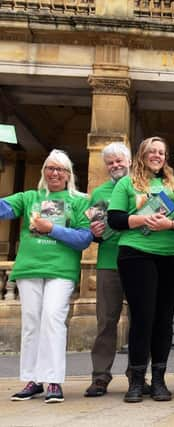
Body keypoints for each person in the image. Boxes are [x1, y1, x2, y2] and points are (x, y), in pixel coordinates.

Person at [1, 149, 92, 403]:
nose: (54, 173)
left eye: (60, 169)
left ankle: (53, 380)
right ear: (43, 172)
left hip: (61, 270)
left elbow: (84, 239)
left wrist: (51, 228)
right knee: (31, 322)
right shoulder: (30, 196)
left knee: (52, 318)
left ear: (68, 175)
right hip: (29, 267)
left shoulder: (80, 201)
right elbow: (3, 209)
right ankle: (32, 380)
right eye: (50, 168)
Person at [108, 136, 174, 403]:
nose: (156, 155)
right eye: (151, 151)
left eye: (161, 152)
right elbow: (115, 219)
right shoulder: (126, 182)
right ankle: (136, 380)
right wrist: (142, 219)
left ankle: (159, 379)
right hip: (136, 254)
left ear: (165, 157)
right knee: (143, 317)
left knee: (164, 319)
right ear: (142, 154)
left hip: (169, 257)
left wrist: (170, 225)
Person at [84, 142, 135, 397]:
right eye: (111, 162)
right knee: (106, 322)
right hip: (108, 263)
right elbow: (94, 231)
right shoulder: (99, 193)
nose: (115, 165)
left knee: (140, 322)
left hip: (139, 260)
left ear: (129, 161)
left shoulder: (140, 186)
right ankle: (100, 376)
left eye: (119, 161)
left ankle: (136, 375)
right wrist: (94, 234)